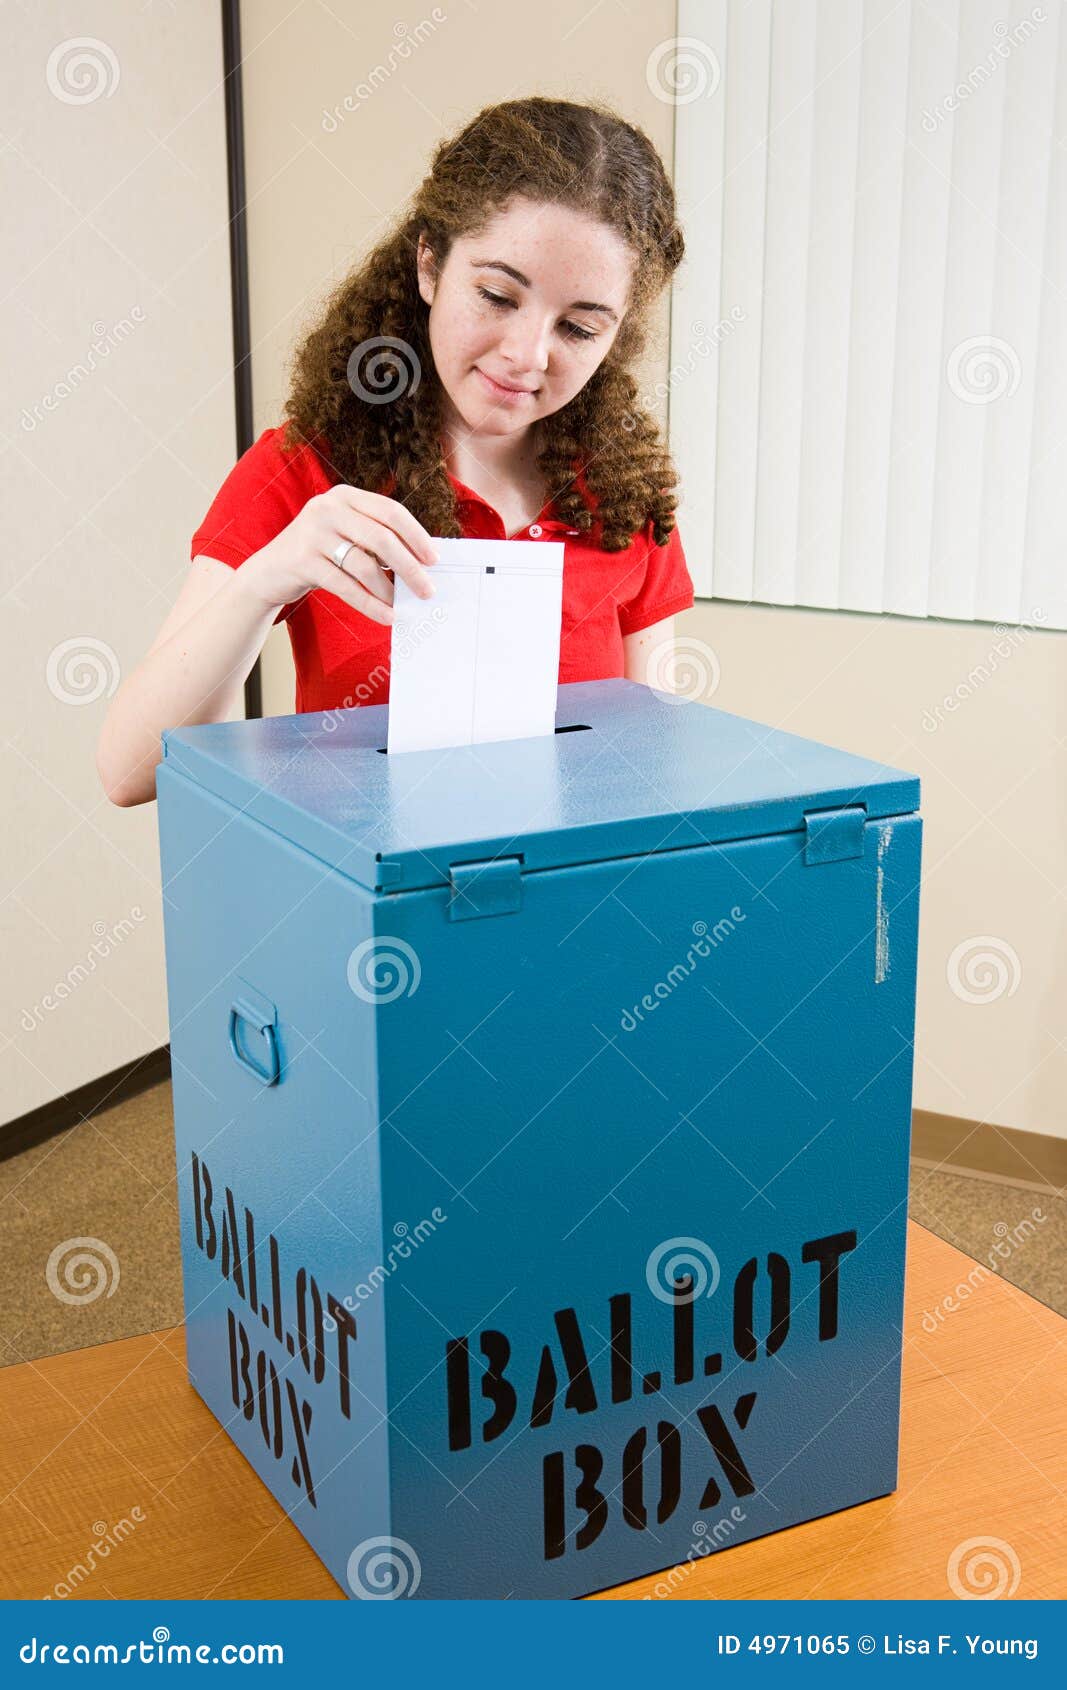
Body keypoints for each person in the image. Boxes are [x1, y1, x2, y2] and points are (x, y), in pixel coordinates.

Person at [96, 95, 694, 807]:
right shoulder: (307, 470)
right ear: (429, 267)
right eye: (498, 296)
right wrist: (268, 578)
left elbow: (655, 777)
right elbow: (129, 773)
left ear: (616, 338)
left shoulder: (624, 496)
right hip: (374, 907)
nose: (525, 355)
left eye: (578, 328)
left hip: (572, 908)